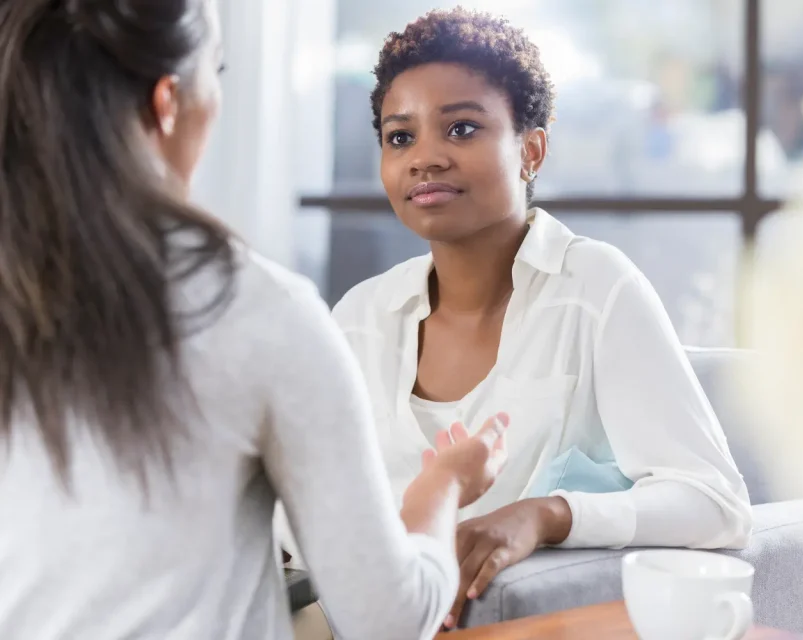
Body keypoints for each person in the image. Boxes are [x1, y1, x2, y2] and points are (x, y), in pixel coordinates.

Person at [0, 2, 508, 639]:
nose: (424, 158)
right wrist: (442, 484)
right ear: (167, 102)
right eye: (216, 70)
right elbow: (385, 619)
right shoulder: (255, 311)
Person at [331, 8, 754, 630]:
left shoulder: (595, 288)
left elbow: (715, 505)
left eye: (462, 129)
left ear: (531, 149)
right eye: (401, 137)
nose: (425, 158)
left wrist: (545, 515)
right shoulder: (360, 316)